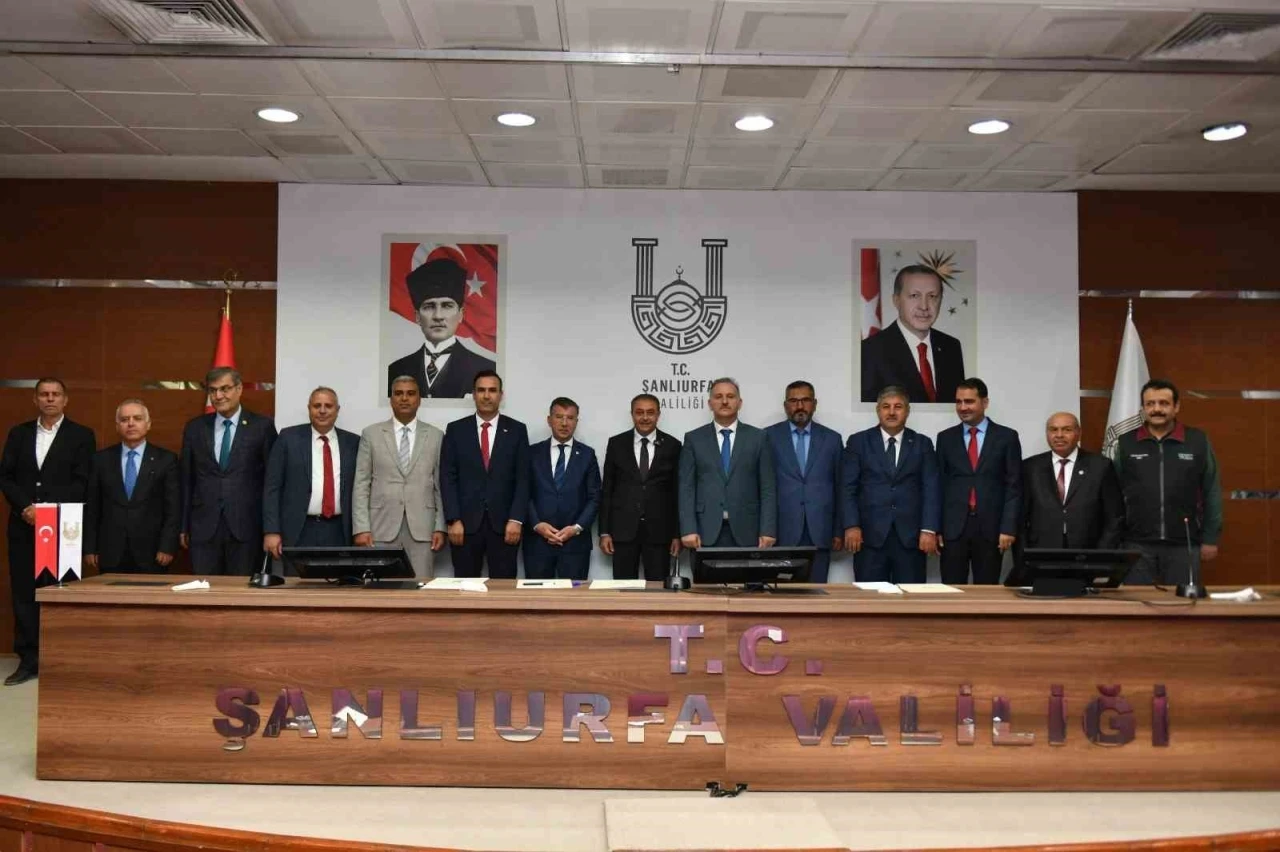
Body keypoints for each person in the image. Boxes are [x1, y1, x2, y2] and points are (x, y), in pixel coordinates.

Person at [0, 378, 95, 686]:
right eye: (44, 394)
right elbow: (6, 476)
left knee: (60, 592)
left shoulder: (82, 435)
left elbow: (82, 481)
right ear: (35, 399)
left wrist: (46, 510)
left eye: (55, 394)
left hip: (63, 528)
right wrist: (26, 507)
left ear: (65, 399)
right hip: (24, 526)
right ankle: (29, 660)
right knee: (25, 594)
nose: (50, 399)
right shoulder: (19, 433)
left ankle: (61, 660)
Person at [1112, 379, 1222, 586]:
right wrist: (1115, 539)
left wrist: (1210, 538)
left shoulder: (1197, 440)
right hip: (1136, 544)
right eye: (1150, 404)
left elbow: (1211, 491)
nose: (1157, 409)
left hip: (1184, 543)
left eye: (1164, 403)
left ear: (1176, 406)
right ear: (1143, 408)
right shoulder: (1126, 442)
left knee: (1182, 603)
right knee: (1137, 602)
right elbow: (1113, 494)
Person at [179, 367, 277, 576]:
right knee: (204, 589)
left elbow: (272, 482)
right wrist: (183, 526)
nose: (218, 396)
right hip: (204, 528)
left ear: (239, 389)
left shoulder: (262, 427)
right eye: (213, 390)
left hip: (247, 528)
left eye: (225, 389)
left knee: (242, 590)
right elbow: (187, 480)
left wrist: (271, 528)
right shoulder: (195, 428)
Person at [351, 377, 446, 578]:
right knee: (380, 589)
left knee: (421, 587)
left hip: (423, 529)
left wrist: (440, 526)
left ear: (419, 399)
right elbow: (361, 483)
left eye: (410, 393)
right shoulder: (371, 434)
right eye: (398, 393)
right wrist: (361, 528)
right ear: (391, 399)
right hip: (380, 528)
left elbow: (440, 485)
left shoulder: (436, 436)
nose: (404, 398)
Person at [843, 386, 940, 584]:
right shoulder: (858, 442)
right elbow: (847, 488)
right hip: (869, 538)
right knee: (870, 597)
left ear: (908, 411)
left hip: (911, 539)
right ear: (878, 410)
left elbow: (931, 489)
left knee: (911, 597)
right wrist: (852, 525)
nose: (892, 412)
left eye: (898, 406)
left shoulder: (922, 443)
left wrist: (929, 529)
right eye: (886, 406)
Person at [441, 370, 529, 578]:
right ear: (473, 394)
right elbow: (447, 477)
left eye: (492, 390)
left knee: (504, 588)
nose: (487, 396)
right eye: (481, 390)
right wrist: (453, 519)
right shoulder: (456, 429)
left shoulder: (517, 430)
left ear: (501, 395)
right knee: (465, 587)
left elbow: (523, 479)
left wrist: (516, 519)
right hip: (465, 526)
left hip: (505, 525)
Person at [935, 378, 1021, 585]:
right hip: (954, 529)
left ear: (985, 402)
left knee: (987, 590)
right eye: (958, 402)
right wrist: (936, 528)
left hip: (991, 529)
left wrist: (1008, 528)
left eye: (969, 401)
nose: (963, 407)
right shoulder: (945, 438)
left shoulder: (1006, 437)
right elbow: (939, 485)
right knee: (952, 589)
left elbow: (1014, 486)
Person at [263, 387, 361, 568]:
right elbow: (272, 487)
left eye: (328, 406)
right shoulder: (288, 438)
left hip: (340, 531)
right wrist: (271, 530)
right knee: (297, 583)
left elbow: (362, 488)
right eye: (317, 406)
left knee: (338, 583)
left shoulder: (353, 442)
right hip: (299, 530)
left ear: (337, 410)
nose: (322, 410)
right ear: (309, 408)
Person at [678, 378, 777, 549]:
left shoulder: (758, 438)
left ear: (740, 402)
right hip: (704, 532)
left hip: (749, 531)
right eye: (718, 397)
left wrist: (768, 529)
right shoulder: (694, 439)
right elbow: (686, 487)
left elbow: (768, 486)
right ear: (710, 403)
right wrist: (688, 528)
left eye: (730, 396)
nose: (724, 401)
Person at [84, 399, 179, 575]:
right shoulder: (101, 460)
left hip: (153, 551)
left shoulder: (166, 460)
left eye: (137, 418)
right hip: (110, 551)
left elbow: (172, 508)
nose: (131, 423)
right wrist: (90, 548)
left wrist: (167, 546)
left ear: (148, 424)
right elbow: (93, 507)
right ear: (117, 426)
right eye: (124, 419)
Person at [764, 381, 843, 582]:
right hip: (780, 532)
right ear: (785, 406)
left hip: (820, 531)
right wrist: (765, 530)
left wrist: (838, 531)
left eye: (805, 400)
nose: (800, 406)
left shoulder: (832, 439)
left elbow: (840, 488)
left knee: (816, 594)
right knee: (781, 595)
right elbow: (761, 487)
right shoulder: (767, 437)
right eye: (793, 401)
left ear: (815, 404)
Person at [599, 394, 682, 582]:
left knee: (658, 590)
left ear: (658, 415)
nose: (645, 417)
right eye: (639, 412)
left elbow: (677, 493)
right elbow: (607, 490)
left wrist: (677, 534)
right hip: (623, 531)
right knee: (623, 590)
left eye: (650, 412)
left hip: (660, 532)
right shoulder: (616, 444)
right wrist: (604, 532)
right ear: (632, 414)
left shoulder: (673, 445)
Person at [386, 257, 495, 399]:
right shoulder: (395, 370)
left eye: (447, 306)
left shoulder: (486, 369)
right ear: (417, 316)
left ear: (461, 314)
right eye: (429, 306)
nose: (438, 316)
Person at [1018, 412, 1123, 556]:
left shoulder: (1101, 466)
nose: (1059, 435)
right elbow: (1020, 518)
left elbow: (1114, 516)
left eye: (1067, 429)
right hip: (1041, 553)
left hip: (1088, 553)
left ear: (1079, 433)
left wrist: (1102, 553)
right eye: (1053, 429)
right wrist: (1024, 555)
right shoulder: (1030, 467)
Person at [860, 264, 965, 404]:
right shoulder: (870, 350)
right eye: (914, 296)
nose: (924, 306)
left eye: (932, 296)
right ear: (896, 300)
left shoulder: (951, 347)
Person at [524, 397, 601, 581]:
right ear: (549, 420)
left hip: (575, 544)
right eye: (559, 417)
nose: (564, 423)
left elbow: (595, 497)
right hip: (538, 543)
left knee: (575, 596)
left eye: (570, 418)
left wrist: (576, 528)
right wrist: (537, 524)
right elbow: (523, 493)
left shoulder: (587, 455)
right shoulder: (531, 453)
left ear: (576, 421)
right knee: (537, 597)